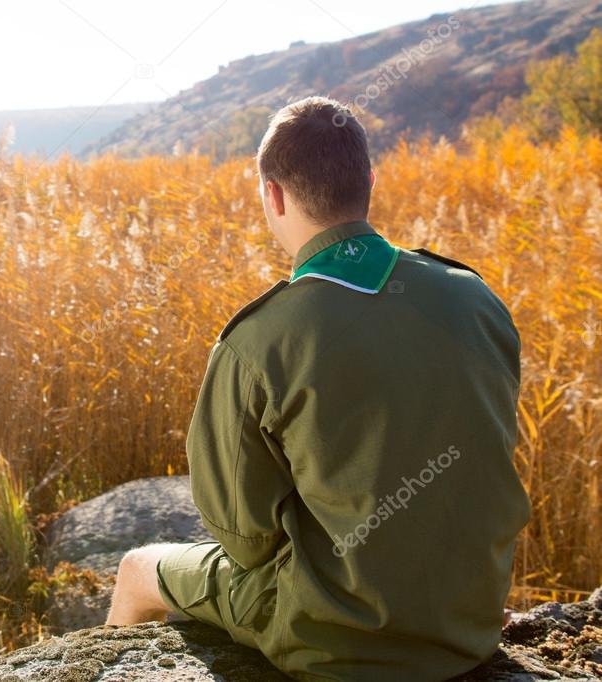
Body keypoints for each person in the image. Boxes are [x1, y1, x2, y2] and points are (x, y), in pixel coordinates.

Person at [104, 96, 531, 681]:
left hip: (332, 644)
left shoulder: (256, 342)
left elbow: (245, 543)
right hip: (470, 626)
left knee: (135, 568)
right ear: (369, 182)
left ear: (272, 195)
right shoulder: (476, 298)